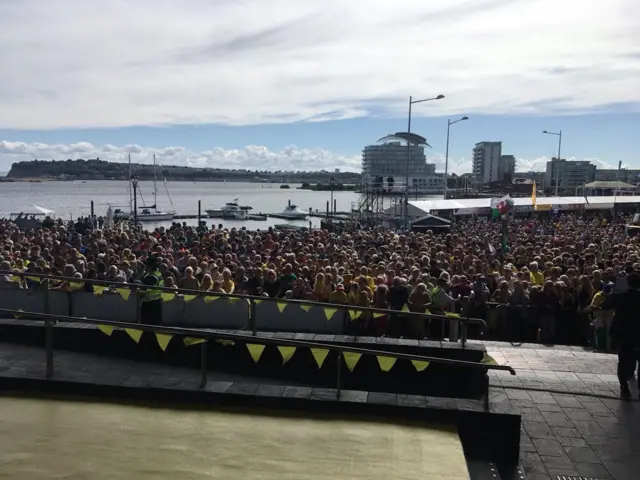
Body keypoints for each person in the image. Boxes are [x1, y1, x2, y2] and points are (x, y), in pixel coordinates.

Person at [609, 272, 640, 399]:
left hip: (623, 333)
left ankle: (624, 386)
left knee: (623, 360)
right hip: (637, 334)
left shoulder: (621, 296)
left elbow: (606, 305)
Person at [140, 257, 164, 325]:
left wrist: (138, 277)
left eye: (146, 265)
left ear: (150, 266)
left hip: (150, 303)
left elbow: (143, 289)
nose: (145, 267)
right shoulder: (157, 273)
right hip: (156, 301)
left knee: (148, 325)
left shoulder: (151, 277)